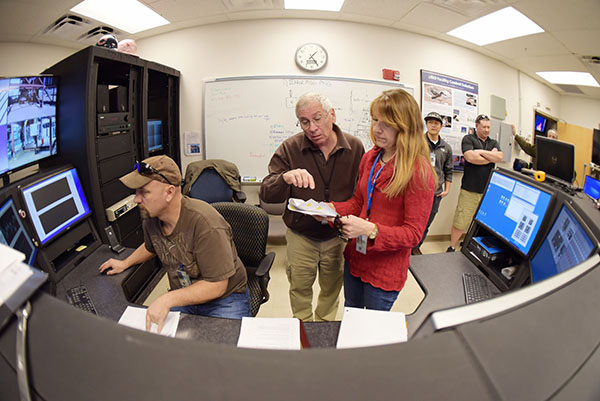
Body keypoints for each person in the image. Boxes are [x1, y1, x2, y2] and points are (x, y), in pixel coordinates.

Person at [100, 155, 250, 332]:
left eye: (144, 192)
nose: (136, 200)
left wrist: (167, 299)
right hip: (184, 295)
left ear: (169, 192)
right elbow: (151, 246)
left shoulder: (206, 223)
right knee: (166, 348)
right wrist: (125, 263)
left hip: (224, 298)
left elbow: (217, 285)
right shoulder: (151, 217)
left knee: (219, 353)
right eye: (136, 193)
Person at [327, 89, 435, 311]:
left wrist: (371, 230)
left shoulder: (418, 170)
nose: (376, 128)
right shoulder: (371, 157)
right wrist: (330, 209)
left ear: (406, 126)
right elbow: (358, 203)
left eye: (387, 123)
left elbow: (413, 234)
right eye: (375, 119)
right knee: (352, 313)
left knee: (372, 331)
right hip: (357, 257)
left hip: (385, 269)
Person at [259, 93, 364, 321]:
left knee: (332, 287)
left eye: (317, 118)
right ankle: (303, 327)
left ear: (332, 115)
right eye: (304, 122)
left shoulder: (355, 147)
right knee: (299, 287)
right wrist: (285, 177)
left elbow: (362, 194)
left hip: (337, 235)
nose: (312, 127)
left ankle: (324, 325)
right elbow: (267, 192)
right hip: (301, 236)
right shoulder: (290, 148)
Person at [447, 114, 503, 252]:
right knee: (461, 220)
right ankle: (452, 247)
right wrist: (490, 156)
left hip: (487, 191)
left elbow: (500, 157)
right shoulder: (468, 139)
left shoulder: (494, 142)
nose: (486, 130)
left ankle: (471, 244)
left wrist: (481, 152)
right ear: (476, 126)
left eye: (488, 127)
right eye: (483, 127)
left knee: (481, 223)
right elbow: (470, 157)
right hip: (470, 189)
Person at [412, 111, 453, 255]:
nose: (433, 125)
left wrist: (447, 190)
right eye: (430, 122)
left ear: (441, 126)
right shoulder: (418, 143)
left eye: (436, 123)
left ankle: (416, 246)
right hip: (417, 191)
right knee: (414, 221)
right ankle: (408, 247)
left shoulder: (446, 148)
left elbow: (449, 170)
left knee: (427, 223)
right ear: (426, 124)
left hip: (436, 193)